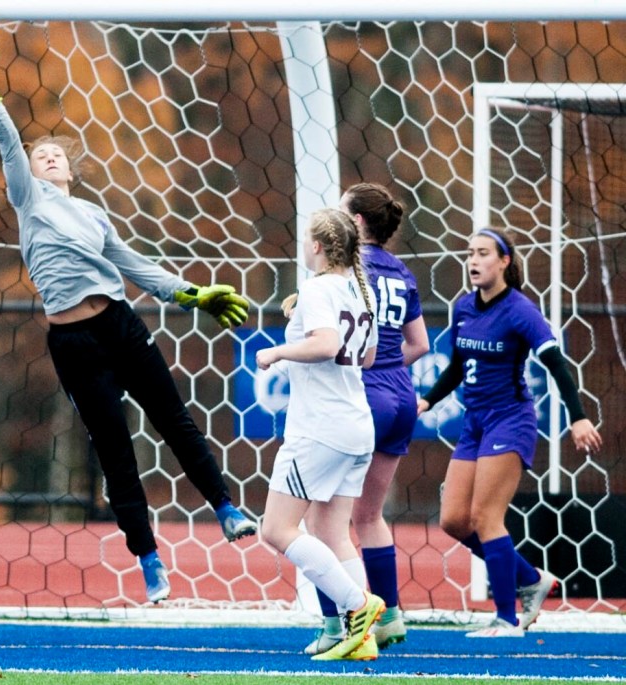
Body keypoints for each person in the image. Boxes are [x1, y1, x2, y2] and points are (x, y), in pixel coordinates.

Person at [0, 42, 257, 604]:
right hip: (74, 342)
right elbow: (7, 143)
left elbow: (135, 267)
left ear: (72, 167)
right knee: (114, 449)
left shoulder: (95, 215)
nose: (47, 157)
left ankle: (226, 507)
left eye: (56, 154)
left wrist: (191, 293)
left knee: (175, 420)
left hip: (121, 325)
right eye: (39, 155)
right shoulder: (29, 200)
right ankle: (149, 559)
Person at [417, 227, 602, 637]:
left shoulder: (520, 310)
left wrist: (578, 416)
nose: (473, 261)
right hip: (475, 424)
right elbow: (454, 368)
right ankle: (532, 579)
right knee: (453, 521)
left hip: (510, 420)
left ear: (504, 262)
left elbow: (556, 363)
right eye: (469, 254)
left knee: (486, 517)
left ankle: (506, 618)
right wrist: (426, 401)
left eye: (483, 253)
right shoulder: (463, 307)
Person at [303, 183, 429, 654]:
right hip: (400, 394)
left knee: (321, 523)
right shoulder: (402, 271)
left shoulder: (345, 271)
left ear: (355, 224)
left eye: (339, 213)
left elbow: (328, 341)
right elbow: (419, 345)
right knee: (370, 515)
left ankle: (336, 625)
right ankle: (391, 615)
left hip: (360, 395)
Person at [256, 208, 385, 661]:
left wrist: (277, 351)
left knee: (275, 529)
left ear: (316, 247)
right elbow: (366, 358)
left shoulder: (318, 289)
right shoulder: (358, 291)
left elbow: (327, 345)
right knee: (330, 532)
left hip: (320, 429)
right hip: (356, 427)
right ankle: (354, 635)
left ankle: (359, 605)